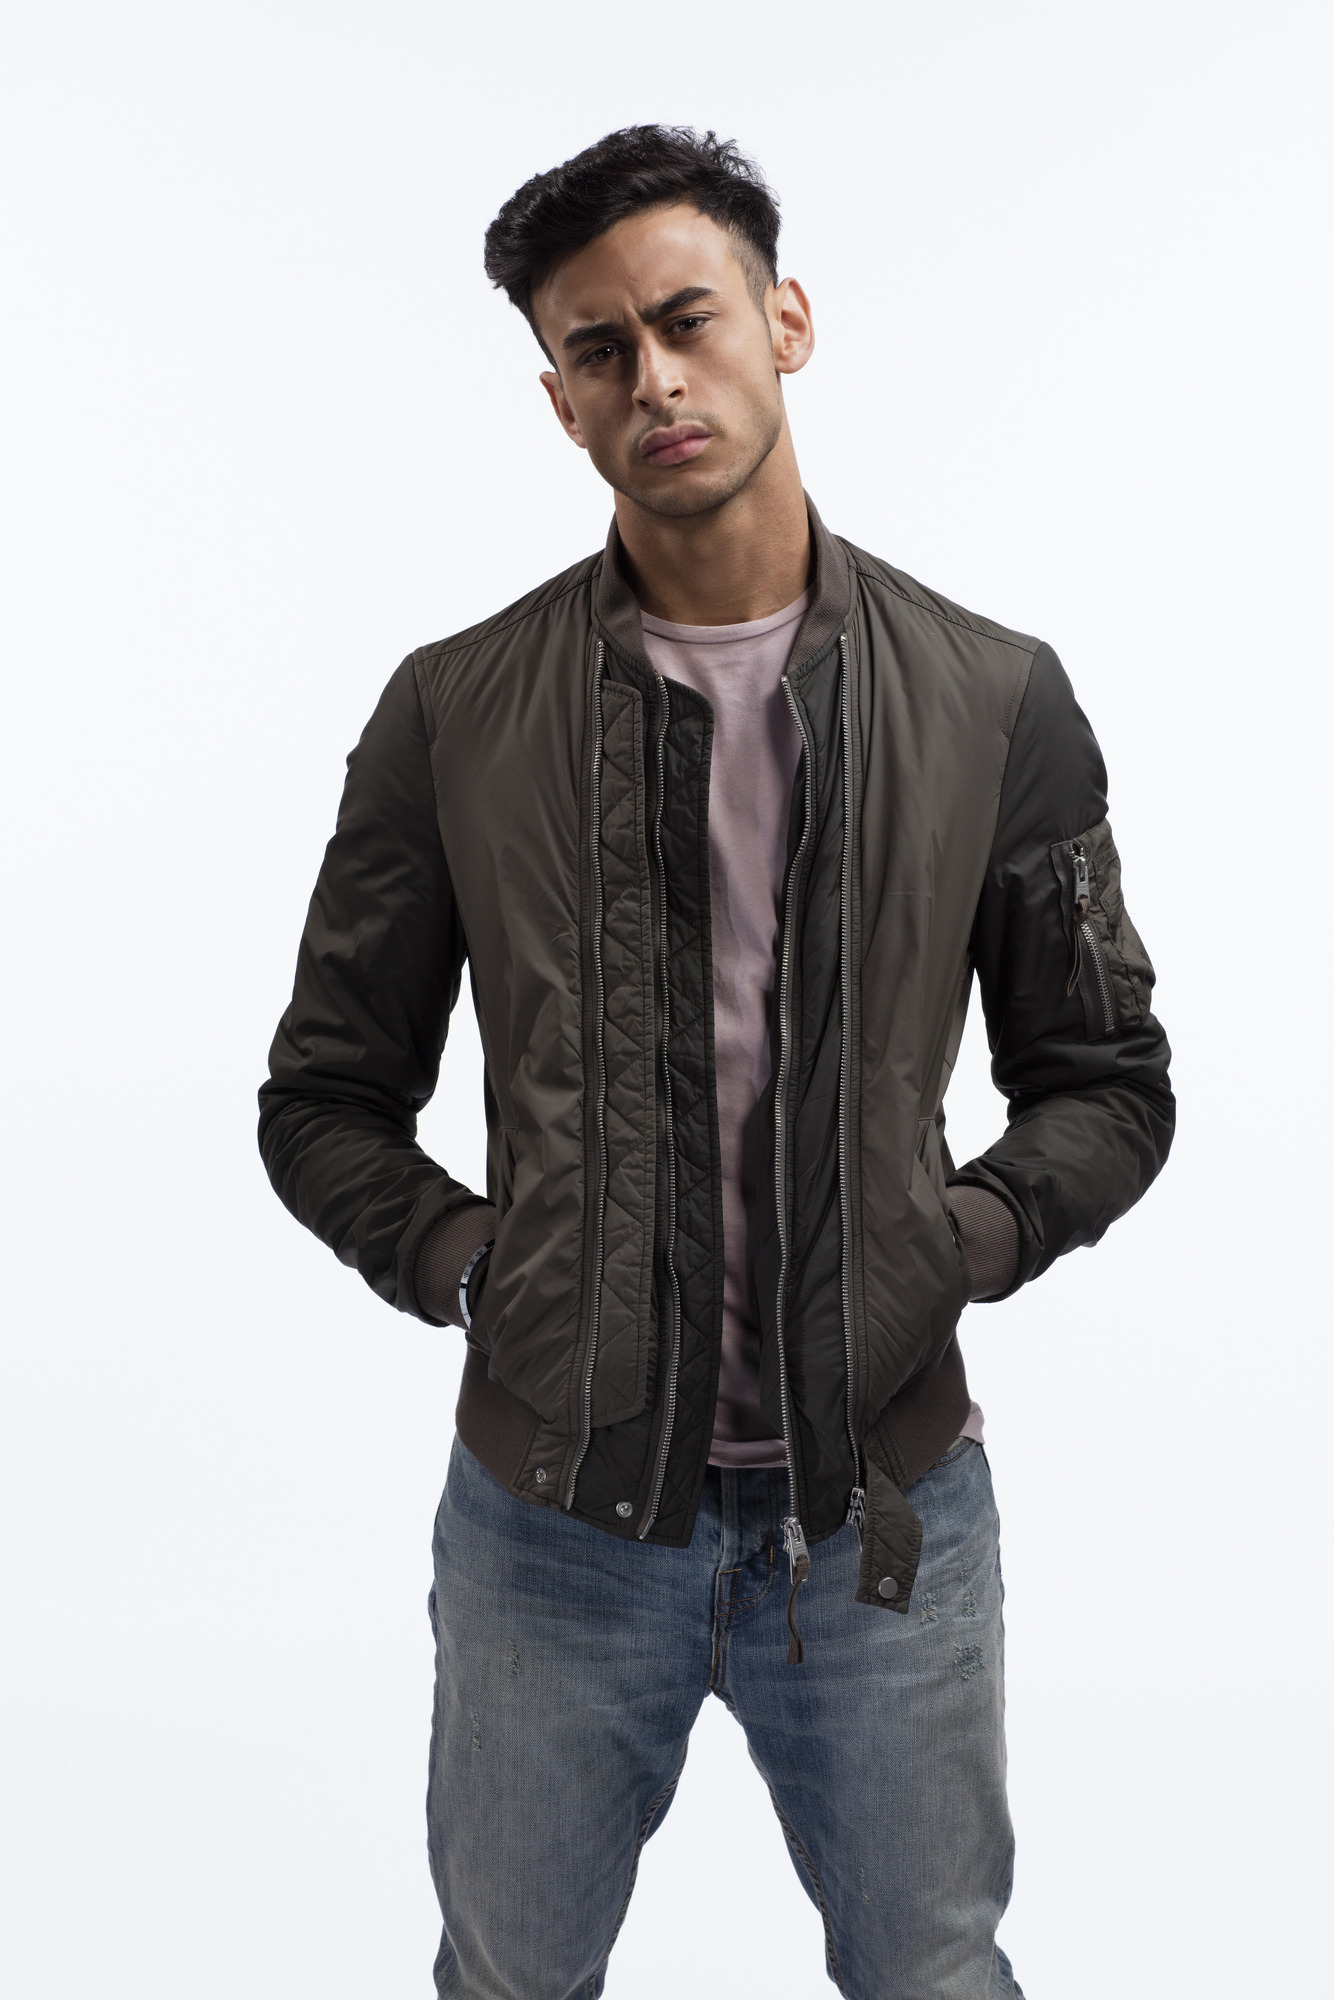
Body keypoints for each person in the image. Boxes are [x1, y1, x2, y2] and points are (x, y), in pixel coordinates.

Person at [258, 125, 1173, 1999]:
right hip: (551, 1524)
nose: (653, 380)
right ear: (559, 401)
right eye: (598, 351)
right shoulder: (454, 712)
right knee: (508, 1981)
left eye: (687, 321)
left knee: (934, 1977)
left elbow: (1108, 1080)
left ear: (785, 321)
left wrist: (959, 1240)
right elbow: (325, 1100)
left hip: (883, 1516)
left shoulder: (992, 697)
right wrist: (474, 1268)